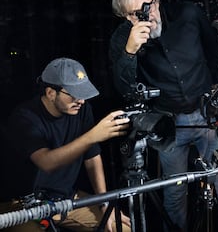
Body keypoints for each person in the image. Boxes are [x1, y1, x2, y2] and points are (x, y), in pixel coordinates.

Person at [108, 0, 218, 231]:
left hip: (206, 113)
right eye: (131, 14)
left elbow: (214, 53)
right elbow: (122, 89)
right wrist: (130, 52)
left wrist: (216, 92)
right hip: (167, 126)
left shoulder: (188, 14)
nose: (142, 17)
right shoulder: (122, 38)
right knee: (174, 191)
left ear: (158, 0)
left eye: (145, 8)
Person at [0, 57, 131, 232]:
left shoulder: (82, 110)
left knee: (120, 227)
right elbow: (46, 162)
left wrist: (104, 202)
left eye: (83, 94)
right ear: (50, 93)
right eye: (74, 95)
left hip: (64, 200)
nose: (81, 101)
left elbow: (92, 157)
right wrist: (92, 136)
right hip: (22, 205)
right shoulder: (24, 118)